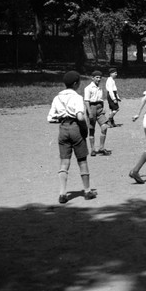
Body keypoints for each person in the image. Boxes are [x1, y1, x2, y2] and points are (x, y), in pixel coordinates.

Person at [48, 70, 97, 204]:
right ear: (76, 84)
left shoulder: (57, 98)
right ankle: (87, 191)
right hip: (75, 128)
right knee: (82, 161)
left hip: (63, 129)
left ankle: (62, 193)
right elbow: (80, 116)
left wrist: (62, 118)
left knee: (64, 162)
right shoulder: (77, 97)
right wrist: (84, 127)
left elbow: (50, 118)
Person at [84, 71, 112, 156]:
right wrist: (89, 112)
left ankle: (101, 148)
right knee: (91, 129)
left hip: (99, 108)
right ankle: (92, 149)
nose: (99, 79)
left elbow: (101, 99)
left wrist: (103, 108)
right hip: (91, 108)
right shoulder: (88, 88)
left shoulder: (100, 88)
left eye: (100, 77)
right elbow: (86, 101)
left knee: (104, 127)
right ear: (92, 78)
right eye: (96, 77)